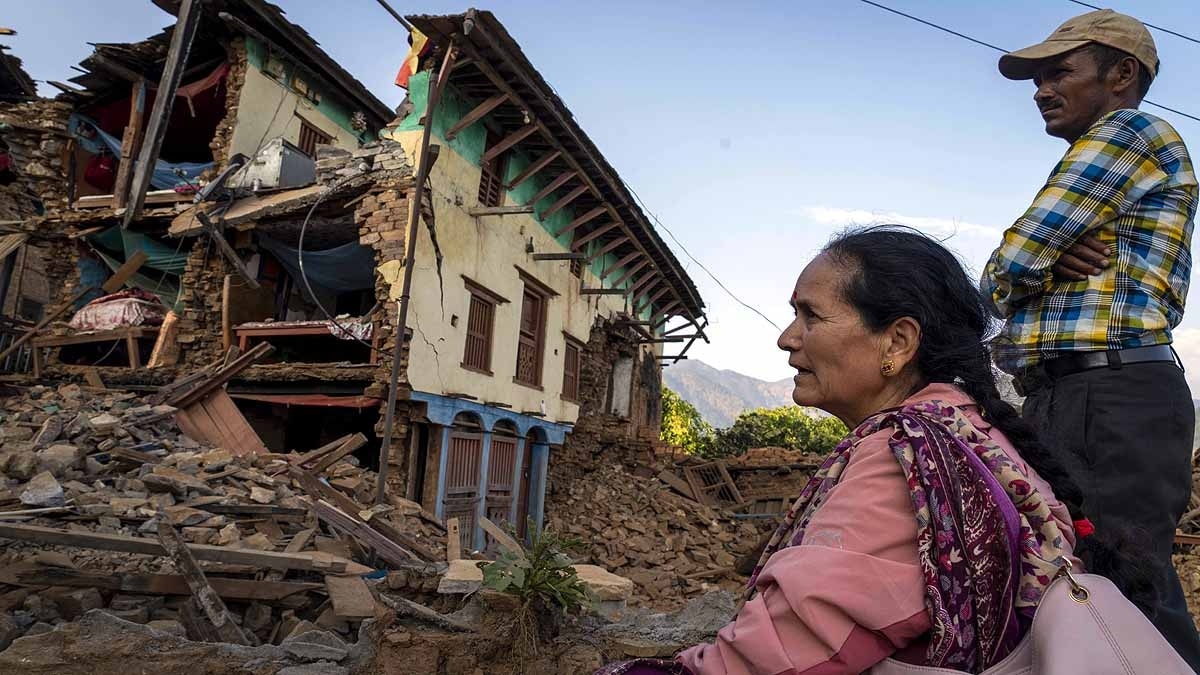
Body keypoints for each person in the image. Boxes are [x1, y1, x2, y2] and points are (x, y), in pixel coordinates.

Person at [597, 226, 1159, 675]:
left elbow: (774, 658)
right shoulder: (970, 431)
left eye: (810, 315)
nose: (787, 337)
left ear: (897, 342)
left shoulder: (902, 459)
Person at [980, 9, 1200, 667]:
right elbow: (1006, 285)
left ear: (1121, 73)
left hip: (1106, 393)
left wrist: (1031, 267)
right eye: (1037, 79)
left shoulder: (1126, 131)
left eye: (1059, 72)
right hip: (1084, 392)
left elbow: (1009, 264)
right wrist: (1036, 266)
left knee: (1122, 586)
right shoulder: (1111, 155)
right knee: (1088, 584)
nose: (1042, 90)